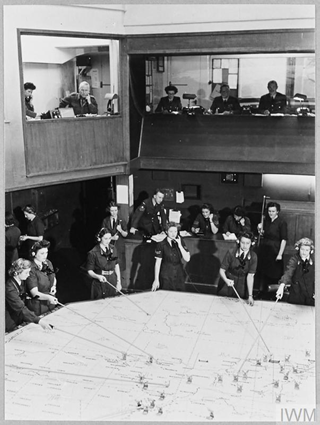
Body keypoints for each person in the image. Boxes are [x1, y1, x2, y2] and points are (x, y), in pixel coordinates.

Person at [5, 258, 53, 333]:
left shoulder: (21, 281)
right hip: (8, 323)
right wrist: (39, 321)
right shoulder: (9, 288)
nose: (28, 275)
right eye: (26, 273)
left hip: (18, 319)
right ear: (16, 273)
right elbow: (20, 309)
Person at [256, 202, 288, 297]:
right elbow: (263, 234)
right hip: (265, 249)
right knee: (263, 272)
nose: (271, 213)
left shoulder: (282, 222)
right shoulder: (266, 221)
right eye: (269, 211)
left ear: (277, 211)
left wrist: (280, 254)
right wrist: (259, 229)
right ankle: (262, 293)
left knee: (273, 273)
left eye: (273, 211)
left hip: (275, 250)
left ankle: (273, 295)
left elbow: (284, 239)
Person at [218, 231, 257, 306]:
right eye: (243, 242)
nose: (245, 246)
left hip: (242, 284)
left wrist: (250, 296)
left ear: (252, 243)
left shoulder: (253, 256)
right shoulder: (231, 252)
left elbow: (250, 276)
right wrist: (226, 280)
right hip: (228, 281)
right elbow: (222, 270)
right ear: (238, 242)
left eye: (247, 243)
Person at [152, 222, 190, 291]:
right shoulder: (161, 244)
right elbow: (158, 263)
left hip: (179, 274)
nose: (173, 234)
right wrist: (156, 279)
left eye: (175, 231)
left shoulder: (180, 242)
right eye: (171, 231)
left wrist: (180, 245)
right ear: (166, 232)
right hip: (166, 275)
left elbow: (187, 259)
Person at [276, 238, 314, 306]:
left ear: (311, 251)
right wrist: (282, 285)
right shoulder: (294, 259)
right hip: (296, 296)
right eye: (302, 249)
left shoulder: (314, 261)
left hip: (310, 296)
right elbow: (288, 272)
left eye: (307, 250)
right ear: (298, 249)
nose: (304, 252)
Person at [86, 228, 121, 300]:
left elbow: (116, 265)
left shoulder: (113, 248)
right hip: (99, 283)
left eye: (110, 238)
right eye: (105, 239)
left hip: (112, 280)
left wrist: (118, 282)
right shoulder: (93, 252)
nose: (108, 241)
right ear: (100, 238)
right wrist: (97, 276)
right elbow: (89, 271)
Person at [25, 240, 58, 316]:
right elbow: (35, 293)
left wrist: (53, 286)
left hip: (50, 301)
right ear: (34, 254)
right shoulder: (30, 269)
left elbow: (53, 277)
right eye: (42, 253)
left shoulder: (48, 263)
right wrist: (49, 298)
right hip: (38, 306)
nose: (45, 256)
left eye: (46, 252)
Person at [101, 201, 128, 271]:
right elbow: (102, 234)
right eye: (112, 211)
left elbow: (126, 234)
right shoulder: (105, 221)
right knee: (109, 267)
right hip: (108, 246)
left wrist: (121, 230)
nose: (114, 212)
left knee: (120, 267)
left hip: (119, 246)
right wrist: (112, 238)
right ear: (109, 210)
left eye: (115, 210)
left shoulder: (122, 220)